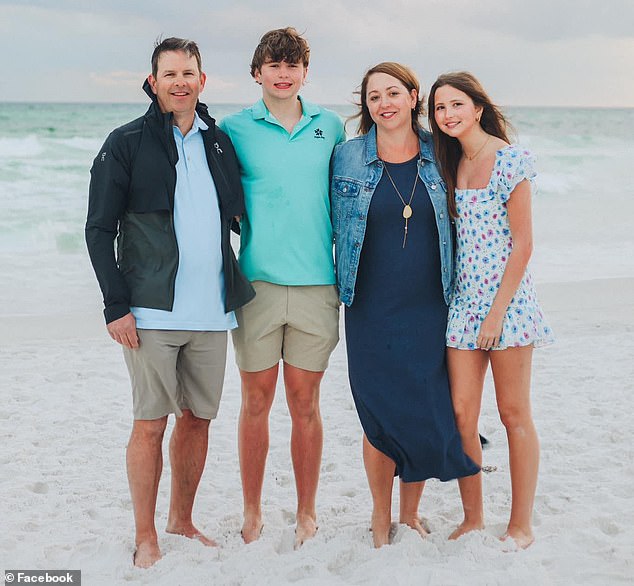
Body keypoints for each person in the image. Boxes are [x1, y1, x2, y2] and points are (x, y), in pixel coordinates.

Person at [85, 37, 254, 568]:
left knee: (198, 420)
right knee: (151, 423)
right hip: (151, 312)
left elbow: (237, 218)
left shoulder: (219, 142)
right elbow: (97, 230)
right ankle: (145, 535)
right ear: (153, 81)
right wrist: (116, 305)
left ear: (203, 81)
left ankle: (181, 520)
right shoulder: (126, 142)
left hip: (212, 312)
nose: (180, 82)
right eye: (170, 73)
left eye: (189, 73)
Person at [331, 62, 479, 548]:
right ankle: (380, 517)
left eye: (393, 93)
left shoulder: (441, 152)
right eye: (374, 97)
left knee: (417, 408)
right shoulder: (347, 157)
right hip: (369, 307)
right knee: (379, 415)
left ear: (414, 96)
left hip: (429, 305)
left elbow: (480, 196)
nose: (384, 104)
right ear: (366, 106)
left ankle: (410, 513)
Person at [218, 27, 345, 546]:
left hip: (318, 283)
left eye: (293, 65)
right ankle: (252, 511)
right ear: (257, 73)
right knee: (255, 401)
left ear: (305, 73)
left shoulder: (330, 126)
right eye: (274, 65)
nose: (284, 73)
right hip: (257, 285)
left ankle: (307, 512)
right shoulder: (232, 128)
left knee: (305, 403)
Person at [428, 71, 555, 548]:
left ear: (477, 107)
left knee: (514, 412)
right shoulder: (449, 164)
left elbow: (522, 246)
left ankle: (520, 525)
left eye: (456, 104)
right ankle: (473, 517)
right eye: (440, 108)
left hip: (508, 305)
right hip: (463, 304)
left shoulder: (510, 160)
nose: (448, 115)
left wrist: (497, 314)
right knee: (462, 415)